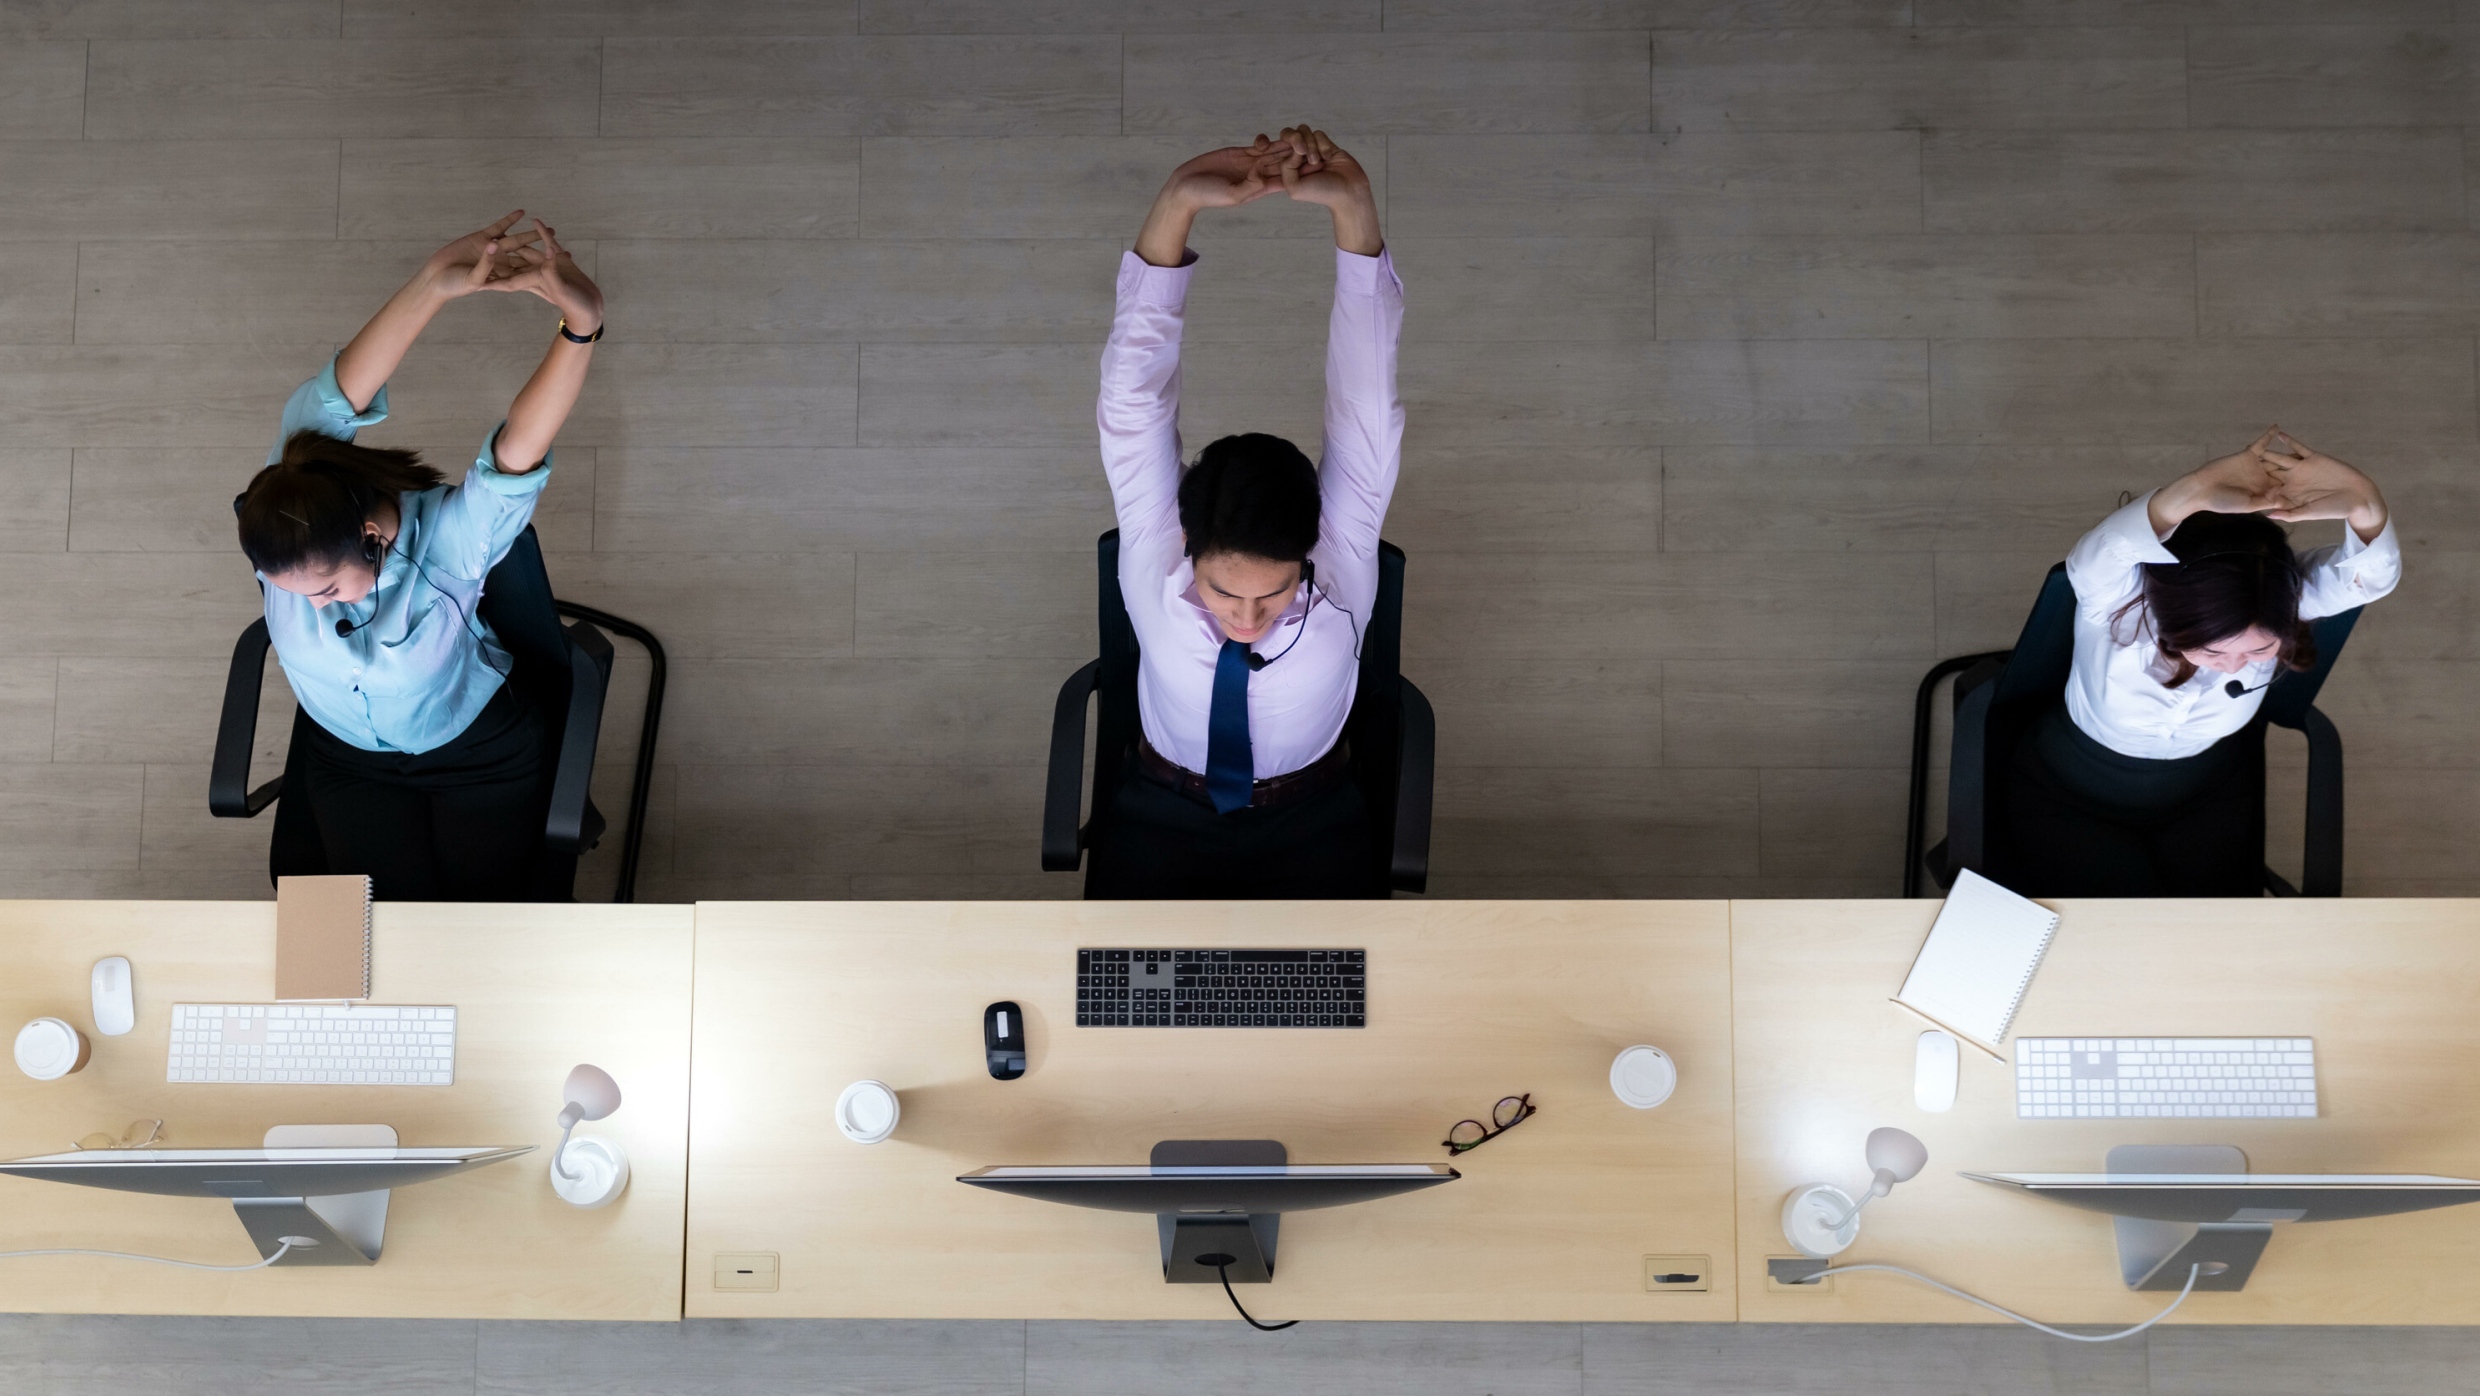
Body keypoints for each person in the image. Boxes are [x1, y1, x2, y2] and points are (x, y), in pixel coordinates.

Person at [235, 211, 604, 901]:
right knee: (352, 939)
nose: (307, 607)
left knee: (473, 926)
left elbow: (516, 453)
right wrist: (433, 283)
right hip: (345, 757)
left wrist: (580, 328)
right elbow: (335, 393)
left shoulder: (450, 547)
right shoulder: (295, 483)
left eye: (325, 590)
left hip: (476, 756)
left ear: (372, 540)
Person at [1087, 126, 1403, 899]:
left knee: (1338, 1013)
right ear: (1189, 545)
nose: (1250, 619)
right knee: (1123, 1010)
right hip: (1161, 812)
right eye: (1227, 593)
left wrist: (1354, 214)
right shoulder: (1160, 547)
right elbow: (1133, 402)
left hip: (1315, 818)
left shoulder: (1337, 558)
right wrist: (1179, 202)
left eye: (1274, 594)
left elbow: (1368, 401)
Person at [2004, 428, 2400, 895]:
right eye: (2211, 650)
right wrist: (2192, 491)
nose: (2232, 666)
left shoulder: (2287, 602)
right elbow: (2100, 554)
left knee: (2212, 930)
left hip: (2206, 790)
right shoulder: (2121, 600)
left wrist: (2365, 503)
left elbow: (2369, 580)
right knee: (2117, 925)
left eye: (2257, 651)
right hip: (2070, 787)